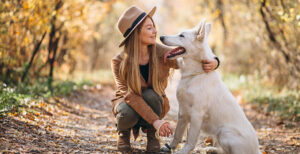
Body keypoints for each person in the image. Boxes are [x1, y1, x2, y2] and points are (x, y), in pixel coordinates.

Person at [111, 6, 220, 152]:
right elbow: (130, 95)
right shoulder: (118, 61)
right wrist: (157, 121)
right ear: (136, 33)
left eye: (154, 27)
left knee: (152, 95)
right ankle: (123, 135)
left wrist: (215, 61)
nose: (155, 31)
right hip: (129, 105)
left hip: (153, 103)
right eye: (149, 28)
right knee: (125, 111)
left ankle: (152, 136)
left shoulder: (160, 51)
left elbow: (189, 56)